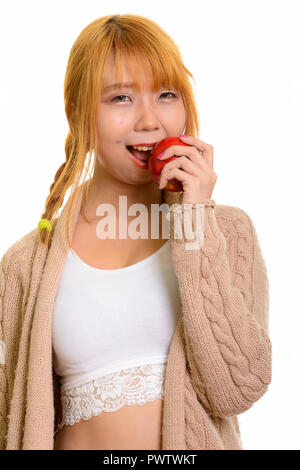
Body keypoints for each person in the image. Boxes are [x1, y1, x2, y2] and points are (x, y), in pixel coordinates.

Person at [0, 14, 272, 450]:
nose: (150, 120)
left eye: (166, 94)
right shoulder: (25, 264)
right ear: (78, 113)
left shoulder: (227, 233)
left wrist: (194, 220)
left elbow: (237, 388)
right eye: (120, 98)